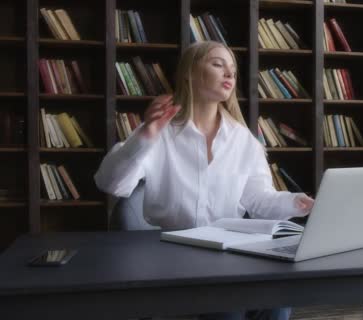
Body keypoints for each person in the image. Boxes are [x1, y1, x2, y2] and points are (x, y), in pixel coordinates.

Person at [94, 41, 314, 320]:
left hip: (228, 256)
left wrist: (299, 203)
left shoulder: (243, 140)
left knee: (277, 298)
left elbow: (259, 200)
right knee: (228, 306)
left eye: (233, 70)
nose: (229, 75)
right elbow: (110, 183)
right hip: (167, 254)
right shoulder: (159, 131)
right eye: (218, 64)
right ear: (189, 73)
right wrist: (145, 137)